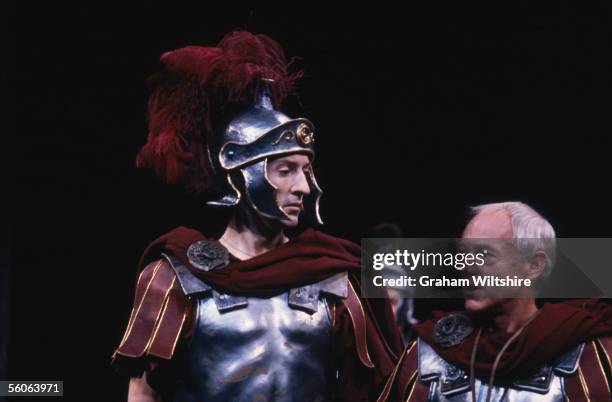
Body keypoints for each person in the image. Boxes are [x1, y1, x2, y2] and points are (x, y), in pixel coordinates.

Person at [111, 31, 402, 402]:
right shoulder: (177, 276)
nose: (303, 186)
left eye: (306, 170)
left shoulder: (335, 278)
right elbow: (143, 392)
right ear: (240, 171)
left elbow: (371, 392)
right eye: (285, 170)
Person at [381, 202, 612, 402]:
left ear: (534, 266)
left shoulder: (585, 353)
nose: (466, 267)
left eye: (485, 254)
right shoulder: (429, 354)